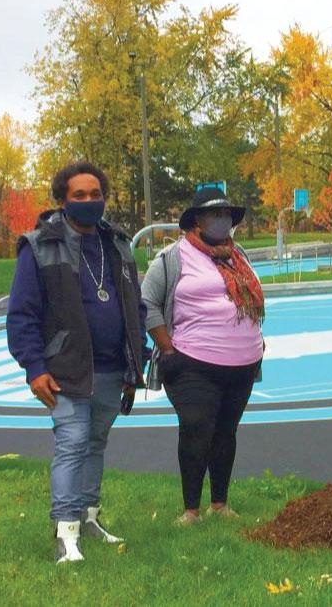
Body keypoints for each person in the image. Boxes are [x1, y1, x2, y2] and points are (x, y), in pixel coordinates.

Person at [7, 161, 148, 564]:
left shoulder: (118, 244)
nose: (90, 202)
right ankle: (65, 532)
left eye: (96, 194)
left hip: (110, 368)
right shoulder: (38, 246)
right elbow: (22, 315)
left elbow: (134, 307)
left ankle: (88, 517)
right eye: (79, 195)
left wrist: (135, 361)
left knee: (95, 443)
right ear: (62, 200)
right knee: (71, 444)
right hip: (65, 368)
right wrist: (34, 367)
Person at [140, 186, 264, 526]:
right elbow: (147, 303)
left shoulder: (239, 256)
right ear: (196, 221)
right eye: (214, 215)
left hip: (242, 364)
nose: (222, 221)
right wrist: (166, 347)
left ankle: (220, 504)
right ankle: (190, 510)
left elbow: (252, 300)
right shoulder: (172, 259)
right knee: (196, 428)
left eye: (226, 215)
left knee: (226, 431)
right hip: (192, 363)